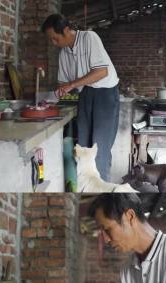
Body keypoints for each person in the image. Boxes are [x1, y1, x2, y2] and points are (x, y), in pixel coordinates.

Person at [41, 14, 120, 181]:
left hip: (105, 94)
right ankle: (84, 185)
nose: (54, 43)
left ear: (66, 30)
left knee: (99, 149)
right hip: (85, 95)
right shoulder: (63, 53)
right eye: (51, 40)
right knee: (83, 148)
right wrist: (57, 95)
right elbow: (65, 84)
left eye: (55, 39)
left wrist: (71, 85)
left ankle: (102, 187)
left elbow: (101, 72)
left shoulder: (89, 38)